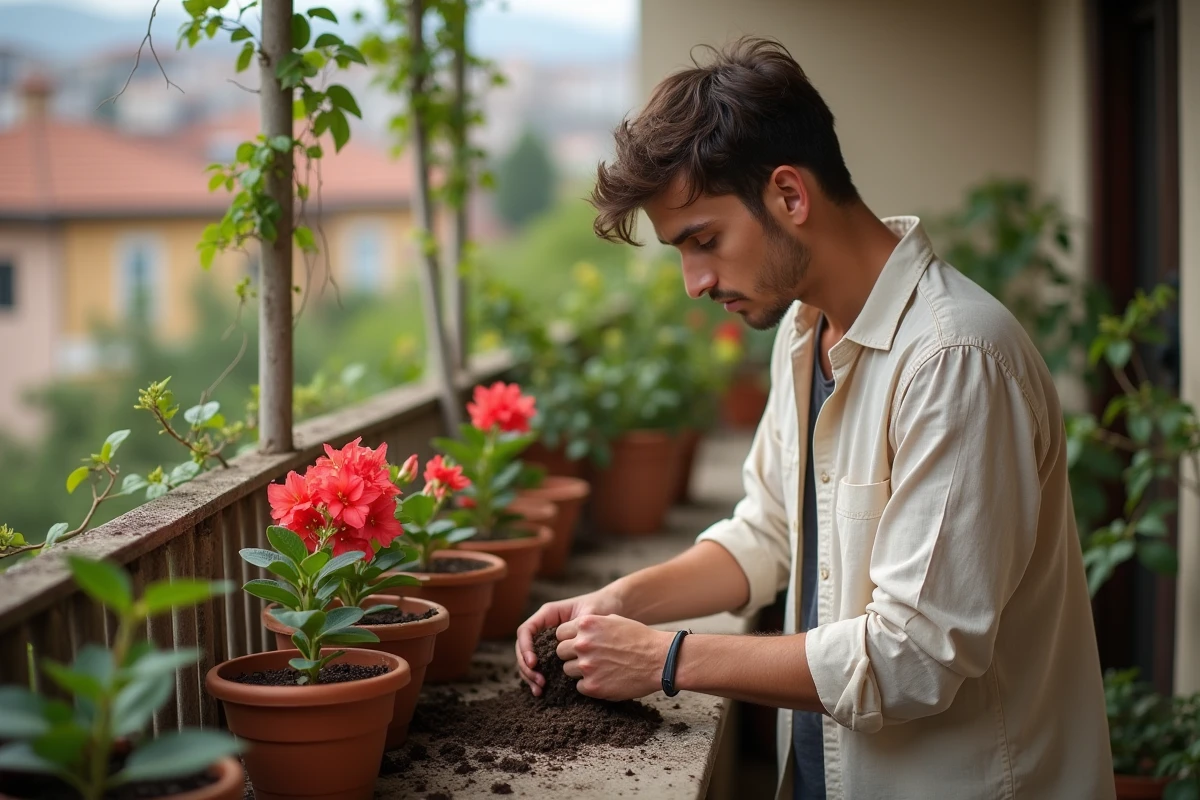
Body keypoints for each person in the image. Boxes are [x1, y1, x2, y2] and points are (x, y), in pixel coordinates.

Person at [514, 36, 1115, 800]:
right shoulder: (805, 333)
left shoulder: (955, 360)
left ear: (790, 197)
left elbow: (914, 658)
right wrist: (617, 605)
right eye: (680, 252)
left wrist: (664, 660)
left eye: (703, 241)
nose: (694, 282)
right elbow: (767, 535)